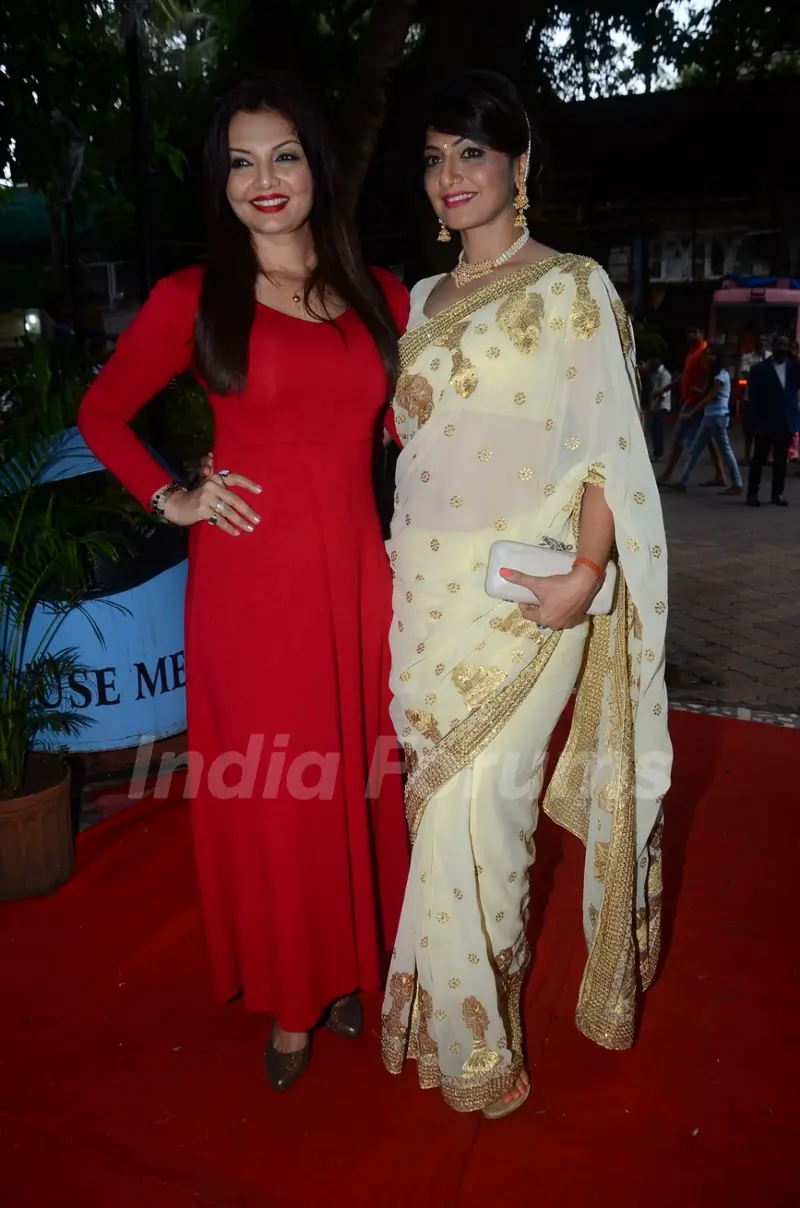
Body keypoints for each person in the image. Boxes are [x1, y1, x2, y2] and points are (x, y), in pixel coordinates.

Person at [78, 75, 411, 1092]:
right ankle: (291, 997)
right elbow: (101, 415)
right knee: (278, 793)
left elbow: (413, 431)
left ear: (318, 166)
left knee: (358, 777)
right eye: (240, 161)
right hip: (251, 586)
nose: (263, 179)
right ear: (221, 181)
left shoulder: (383, 294)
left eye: (284, 155)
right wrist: (172, 497)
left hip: (359, 578)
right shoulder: (192, 298)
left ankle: (348, 964)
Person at [380, 70, 671, 1120]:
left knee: (486, 809)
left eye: (471, 152)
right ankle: (458, 1016)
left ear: (519, 163)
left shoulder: (573, 287)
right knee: (440, 816)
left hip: (527, 597)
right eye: (433, 158)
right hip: (422, 596)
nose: (449, 176)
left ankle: (479, 1043)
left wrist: (586, 576)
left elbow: (607, 455)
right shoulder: (419, 301)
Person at [667, 345, 742, 495]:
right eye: (707, 354)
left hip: (717, 416)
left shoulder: (720, 375)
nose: (708, 357)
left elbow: (711, 396)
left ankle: (737, 483)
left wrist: (691, 413)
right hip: (711, 416)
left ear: (718, 357)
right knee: (696, 449)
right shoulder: (714, 374)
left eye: (712, 354)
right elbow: (708, 395)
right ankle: (683, 482)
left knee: (724, 450)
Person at [656, 325, 725, 486]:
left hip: (695, 401)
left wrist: (702, 393)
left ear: (702, 333)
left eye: (694, 332)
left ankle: (668, 473)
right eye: (688, 332)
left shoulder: (704, 352)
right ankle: (720, 474)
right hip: (691, 399)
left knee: (679, 436)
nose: (691, 335)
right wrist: (664, 389)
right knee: (708, 439)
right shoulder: (693, 352)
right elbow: (685, 375)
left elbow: (712, 375)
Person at [746, 334, 800, 507]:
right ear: (773, 346)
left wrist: (796, 358)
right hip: (766, 422)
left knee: (781, 461)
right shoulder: (759, 370)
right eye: (779, 345)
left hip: (786, 421)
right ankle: (752, 494)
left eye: (786, 345)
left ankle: (778, 494)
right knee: (759, 459)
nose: (782, 348)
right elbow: (754, 400)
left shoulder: (794, 368)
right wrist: (756, 423)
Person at [645, 352, 671, 461]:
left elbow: (663, 392)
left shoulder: (664, 374)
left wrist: (655, 406)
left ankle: (659, 453)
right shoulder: (654, 374)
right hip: (655, 405)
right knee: (654, 428)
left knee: (657, 428)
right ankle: (657, 452)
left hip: (662, 406)